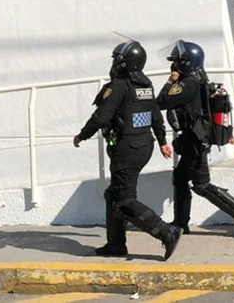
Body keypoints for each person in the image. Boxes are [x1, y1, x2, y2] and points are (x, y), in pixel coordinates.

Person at [74, 40, 182, 260]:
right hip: (144, 145)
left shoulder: (119, 86)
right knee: (112, 195)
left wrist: (81, 135)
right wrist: (162, 141)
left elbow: (100, 117)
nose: (114, 63)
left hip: (126, 148)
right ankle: (115, 245)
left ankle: (167, 232)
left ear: (124, 63)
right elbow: (155, 116)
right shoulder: (145, 85)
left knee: (124, 199)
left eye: (117, 59)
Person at [156, 40, 234, 237]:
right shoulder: (198, 79)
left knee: (201, 185)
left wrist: (170, 82)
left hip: (196, 140)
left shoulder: (187, 83)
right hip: (195, 138)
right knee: (181, 178)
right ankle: (181, 223)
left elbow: (161, 102)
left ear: (185, 63)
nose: (173, 65)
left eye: (176, 61)